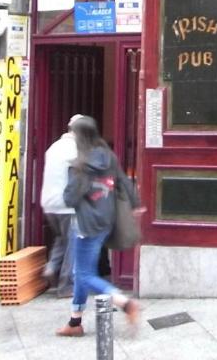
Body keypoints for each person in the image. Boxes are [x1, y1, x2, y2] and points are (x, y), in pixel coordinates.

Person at [57, 115, 140, 338]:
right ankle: (75, 321)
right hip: (106, 219)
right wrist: (135, 203)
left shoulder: (81, 166)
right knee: (82, 270)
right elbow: (122, 180)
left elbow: (70, 198)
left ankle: (124, 302)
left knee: (83, 274)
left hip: (86, 224)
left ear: (80, 136)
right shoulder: (108, 156)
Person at [40, 114, 82, 297]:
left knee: (61, 238)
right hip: (67, 206)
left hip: (49, 204)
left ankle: (51, 267)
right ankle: (66, 285)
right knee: (74, 244)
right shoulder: (76, 150)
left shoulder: (53, 148)